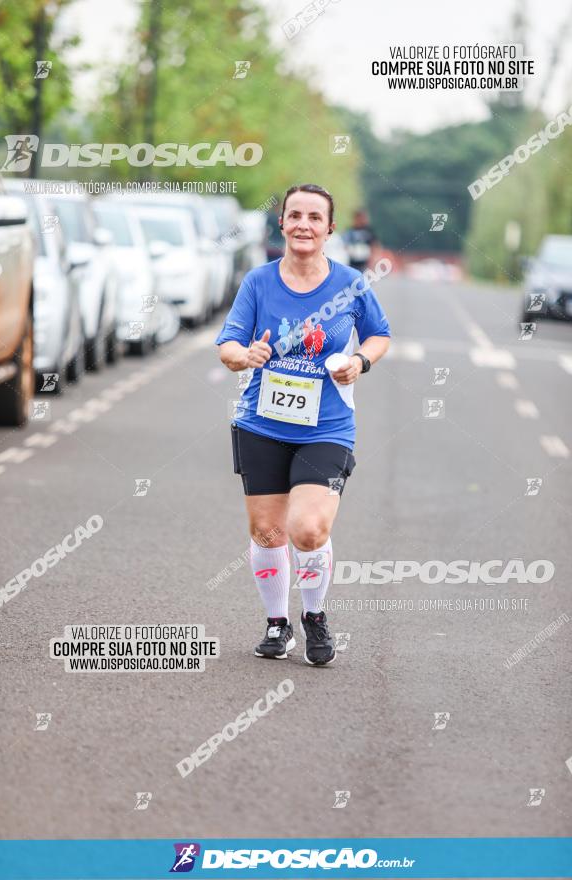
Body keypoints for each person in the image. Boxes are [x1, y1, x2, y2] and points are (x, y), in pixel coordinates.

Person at [215, 183, 391, 666]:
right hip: (262, 424)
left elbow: (380, 335)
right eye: (295, 216)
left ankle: (314, 615)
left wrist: (359, 361)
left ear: (330, 228)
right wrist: (245, 356)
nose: (304, 225)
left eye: (315, 218)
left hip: (327, 428)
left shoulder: (351, 284)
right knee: (268, 532)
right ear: (283, 223)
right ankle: (277, 624)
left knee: (308, 528)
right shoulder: (258, 282)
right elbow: (228, 343)